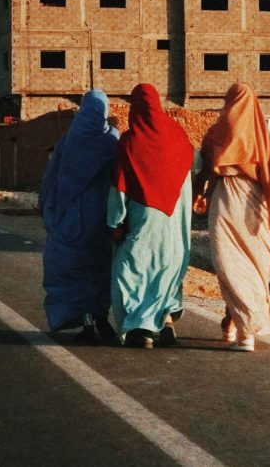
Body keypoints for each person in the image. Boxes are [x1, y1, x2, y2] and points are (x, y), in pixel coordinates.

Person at [108, 84, 200, 349]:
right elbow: (197, 162)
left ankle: (141, 328)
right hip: (174, 223)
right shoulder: (177, 134)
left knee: (131, 270)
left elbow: (119, 187)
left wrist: (114, 221)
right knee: (166, 268)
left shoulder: (130, 141)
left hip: (144, 220)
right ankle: (167, 318)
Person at [200, 82, 270, 352]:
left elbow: (206, 163)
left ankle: (243, 331)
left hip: (229, 199)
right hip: (256, 203)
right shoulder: (263, 138)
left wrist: (199, 192)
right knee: (255, 267)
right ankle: (235, 322)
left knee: (231, 263)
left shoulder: (219, 130)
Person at [39, 90, 120, 344]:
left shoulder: (68, 141)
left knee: (73, 271)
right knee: (100, 271)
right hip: (102, 219)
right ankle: (101, 319)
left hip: (70, 218)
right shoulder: (112, 140)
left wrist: (48, 210)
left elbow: (51, 179)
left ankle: (85, 323)